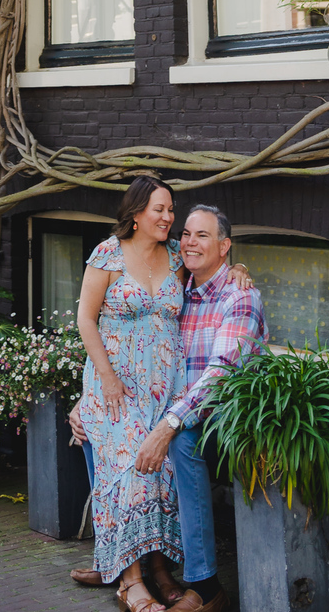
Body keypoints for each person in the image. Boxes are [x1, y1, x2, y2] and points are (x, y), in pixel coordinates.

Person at [72, 202, 265, 612]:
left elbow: (222, 373)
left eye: (202, 236)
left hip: (217, 418)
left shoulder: (239, 295)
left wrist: (169, 425)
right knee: (96, 433)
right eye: (187, 234)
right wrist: (88, 397)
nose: (189, 243)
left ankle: (205, 585)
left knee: (176, 447)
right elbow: (119, 335)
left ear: (225, 246)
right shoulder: (183, 285)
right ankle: (123, 560)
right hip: (161, 405)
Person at [76, 176, 186, 612]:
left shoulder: (176, 255)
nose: (167, 218)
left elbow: (208, 279)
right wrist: (105, 378)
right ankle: (132, 581)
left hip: (167, 385)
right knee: (130, 472)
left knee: (163, 475)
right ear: (136, 214)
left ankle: (159, 568)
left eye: (171, 210)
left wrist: (235, 268)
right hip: (116, 386)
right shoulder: (107, 254)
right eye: (159, 209)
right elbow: (86, 319)